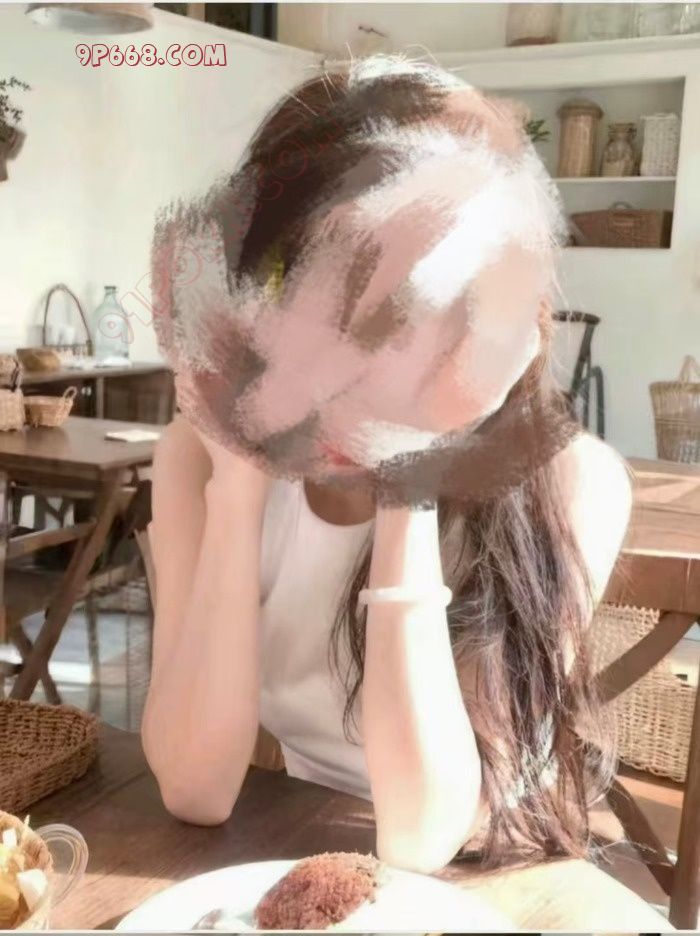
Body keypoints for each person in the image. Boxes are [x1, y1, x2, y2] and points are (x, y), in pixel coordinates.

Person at [142, 54, 632, 875]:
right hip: (301, 854)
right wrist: (238, 482)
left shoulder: (572, 481)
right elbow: (196, 788)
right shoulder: (197, 461)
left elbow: (425, 833)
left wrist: (412, 466)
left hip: (489, 875)